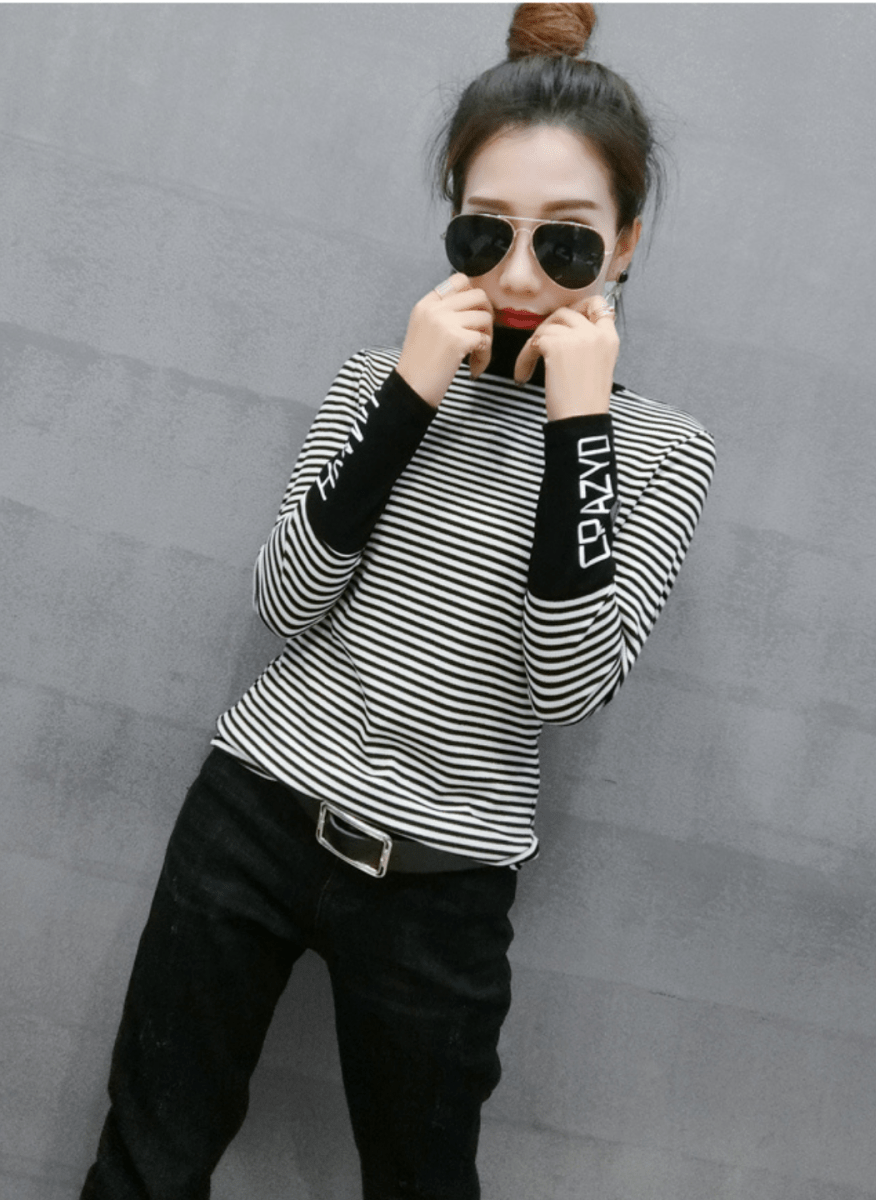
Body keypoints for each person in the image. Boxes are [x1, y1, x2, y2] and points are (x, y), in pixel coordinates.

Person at [81, 4, 716, 1198]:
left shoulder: (662, 451)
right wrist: (407, 399)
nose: (518, 274)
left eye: (566, 243)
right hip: (254, 817)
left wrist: (581, 424)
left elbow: (567, 686)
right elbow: (287, 600)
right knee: (145, 1165)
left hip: (445, 880)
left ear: (626, 243)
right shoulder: (379, 379)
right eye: (485, 232)